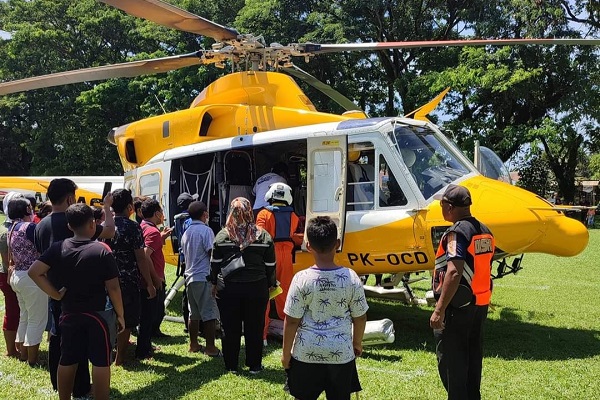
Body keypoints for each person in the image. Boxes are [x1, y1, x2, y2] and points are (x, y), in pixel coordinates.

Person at [28, 203, 124, 400]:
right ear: (92, 224)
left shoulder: (58, 248)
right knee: (100, 361)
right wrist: (121, 314)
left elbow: (34, 272)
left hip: (69, 313)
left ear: (70, 226)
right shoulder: (101, 250)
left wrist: (55, 294)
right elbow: (114, 288)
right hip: (97, 314)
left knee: (68, 359)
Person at [282, 216, 368, 400]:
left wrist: (285, 354)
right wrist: (357, 343)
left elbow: (291, 321)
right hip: (341, 355)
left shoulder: (301, 279)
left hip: (305, 355)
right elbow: (360, 317)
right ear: (337, 243)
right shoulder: (351, 278)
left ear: (308, 245)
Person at [430, 184, 495, 400]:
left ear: (449, 207)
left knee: (451, 362)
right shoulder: (485, 231)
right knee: (472, 359)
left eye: (442, 204)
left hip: (458, 308)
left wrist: (439, 310)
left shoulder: (457, 233)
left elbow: (454, 273)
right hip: (479, 304)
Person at [209, 197, 276, 373]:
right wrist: (271, 284)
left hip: (228, 289)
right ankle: (254, 365)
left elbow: (215, 264)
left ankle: (231, 365)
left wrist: (213, 283)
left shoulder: (223, 235)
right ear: (249, 211)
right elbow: (270, 265)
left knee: (230, 327)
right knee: (255, 326)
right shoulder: (263, 236)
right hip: (257, 288)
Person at [105, 189, 156, 366]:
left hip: (105, 279)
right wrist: (149, 282)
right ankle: (120, 358)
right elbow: (141, 257)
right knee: (126, 320)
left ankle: (107, 352)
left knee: (108, 316)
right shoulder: (133, 226)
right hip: (127, 281)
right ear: (130, 207)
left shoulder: (105, 226)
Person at [255, 183, 303, 343]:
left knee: (264, 295)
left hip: (269, 256)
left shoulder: (263, 214)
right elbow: (295, 235)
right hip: (287, 256)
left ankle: (262, 336)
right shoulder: (294, 216)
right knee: (285, 293)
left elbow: (259, 236)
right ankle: (290, 332)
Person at [7, 196, 48, 366]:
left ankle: (23, 353)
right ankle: (32, 359)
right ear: (26, 210)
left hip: (18, 276)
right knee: (36, 319)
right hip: (32, 278)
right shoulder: (30, 227)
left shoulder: (12, 227)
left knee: (25, 316)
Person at [181, 201, 220, 356]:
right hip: (203, 276)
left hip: (189, 277)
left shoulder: (186, 232)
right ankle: (210, 348)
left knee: (194, 314)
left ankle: (194, 344)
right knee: (209, 314)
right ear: (204, 214)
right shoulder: (206, 231)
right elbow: (211, 253)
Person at [138, 198, 172, 358]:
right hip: (152, 279)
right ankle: (144, 350)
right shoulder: (152, 231)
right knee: (150, 316)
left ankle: (146, 345)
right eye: (161, 211)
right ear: (157, 213)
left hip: (144, 278)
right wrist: (155, 279)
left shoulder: (143, 227)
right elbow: (145, 255)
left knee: (148, 315)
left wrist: (161, 238)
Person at [0, 192, 22, 358]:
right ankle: (11, 349)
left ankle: (18, 345)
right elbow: (7, 260)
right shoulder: (5, 231)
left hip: (13, 274)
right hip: (10, 274)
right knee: (14, 310)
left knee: (19, 311)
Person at [173, 192, 195, 333]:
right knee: (192, 292)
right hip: (191, 258)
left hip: (182, 258)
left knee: (186, 291)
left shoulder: (178, 219)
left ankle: (187, 323)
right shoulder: (190, 221)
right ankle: (193, 324)